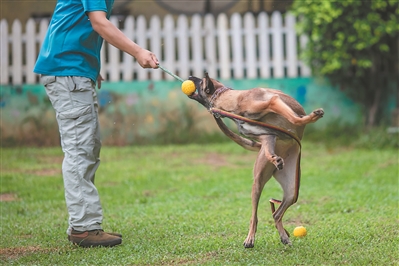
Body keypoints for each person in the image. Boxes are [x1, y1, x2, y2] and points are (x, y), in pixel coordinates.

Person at [34, 0, 159, 248]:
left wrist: (90, 67)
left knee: (88, 148)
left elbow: (76, 24)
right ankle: (83, 228)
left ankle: (84, 225)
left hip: (74, 71)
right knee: (80, 150)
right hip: (68, 73)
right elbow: (99, 23)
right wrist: (138, 52)